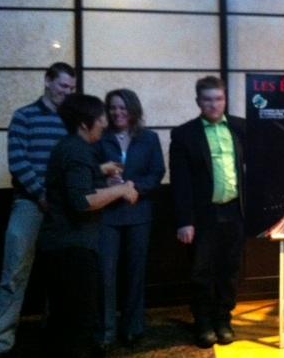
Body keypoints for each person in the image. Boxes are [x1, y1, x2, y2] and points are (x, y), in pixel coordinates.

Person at [40, 93, 139, 357]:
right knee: (77, 322)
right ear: (84, 124)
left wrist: (101, 173)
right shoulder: (77, 151)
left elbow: (78, 187)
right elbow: (83, 201)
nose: (105, 123)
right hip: (71, 248)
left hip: (66, 245)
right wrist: (121, 190)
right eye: (101, 117)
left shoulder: (73, 147)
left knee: (66, 319)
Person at [0, 62, 76, 355]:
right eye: (63, 85)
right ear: (47, 81)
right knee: (14, 271)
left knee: (61, 272)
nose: (67, 92)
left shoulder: (71, 121)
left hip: (63, 206)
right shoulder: (24, 116)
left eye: (71, 88)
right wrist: (41, 193)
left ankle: (54, 332)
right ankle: (2, 338)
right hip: (29, 202)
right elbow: (18, 161)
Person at [169, 76, 245, 348]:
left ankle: (223, 320)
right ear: (198, 101)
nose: (214, 104)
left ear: (225, 99)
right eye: (208, 99)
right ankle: (202, 322)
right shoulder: (184, 134)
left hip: (235, 210)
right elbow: (180, 182)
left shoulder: (240, 127)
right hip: (203, 215)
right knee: (201, 271)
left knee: (230, 269)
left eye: (219, 99)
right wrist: (184, 221)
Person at [96, 89, 165, 349]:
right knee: (106, 274)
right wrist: (106, 181)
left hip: (139, 211)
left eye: (123, 108)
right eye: (113, 108)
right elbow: (90, 171)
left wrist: (135, 187)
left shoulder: (149, 138)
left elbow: (157, 172)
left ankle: (133, 327)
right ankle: (106, 330)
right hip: (106, 214)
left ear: (133, 110)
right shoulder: (99, 137)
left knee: (136, 272)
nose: (118, 112)